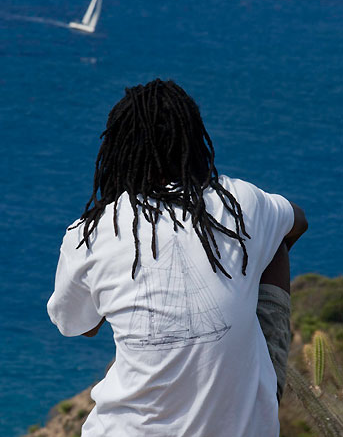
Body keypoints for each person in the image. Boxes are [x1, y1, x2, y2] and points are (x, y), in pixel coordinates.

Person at [47, 79, 308, 437]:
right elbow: (297, 220)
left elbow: (79, 325)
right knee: (274, 240)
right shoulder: (240, 201)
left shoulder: (91, 234)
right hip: (246, 426)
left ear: (118, 151)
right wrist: (246, 272)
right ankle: (264, 390)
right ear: (194, 142)